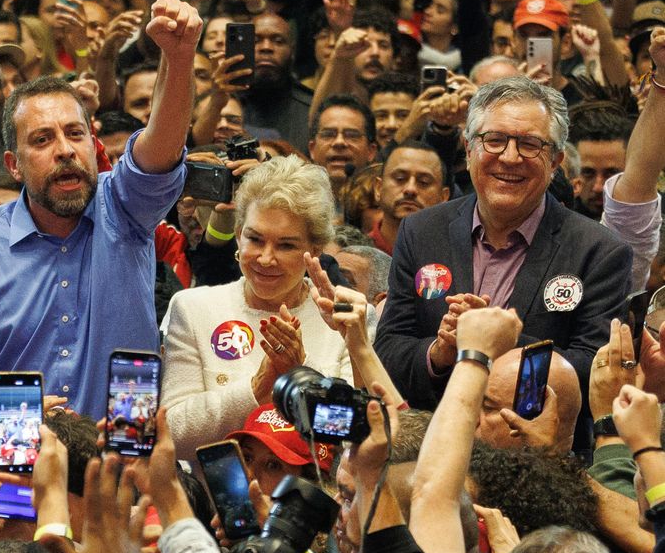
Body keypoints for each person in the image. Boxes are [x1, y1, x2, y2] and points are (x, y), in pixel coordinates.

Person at [0, 0, 201, 431]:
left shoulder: (126, 208)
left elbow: (162, 146)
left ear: (92, 147)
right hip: (8, 476)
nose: (65, 150)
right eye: (42, 139)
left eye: (75, 134)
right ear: (13, 164)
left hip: (118, 470)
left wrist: (179, 56)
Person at [374, 75, 632, 422]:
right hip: (430, 441)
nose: (510, 158)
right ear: (468, 150)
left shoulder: (599, 251)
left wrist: (500, 342)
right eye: (494, 140)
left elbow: (596, 374)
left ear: (555, 161)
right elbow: (388, 351)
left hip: (537, 454)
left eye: (529, 144)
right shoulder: (421, 231)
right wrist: (441, 352)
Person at [161, 155, 359, 458]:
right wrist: (255, 390)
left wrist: (299, 379)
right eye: (255, 239)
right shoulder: (193, 308)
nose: (266, 259)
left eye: (286, 245)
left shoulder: (347, 316)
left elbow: (354, 433)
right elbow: (172, 435)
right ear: (239, 234)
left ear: (314, 250)